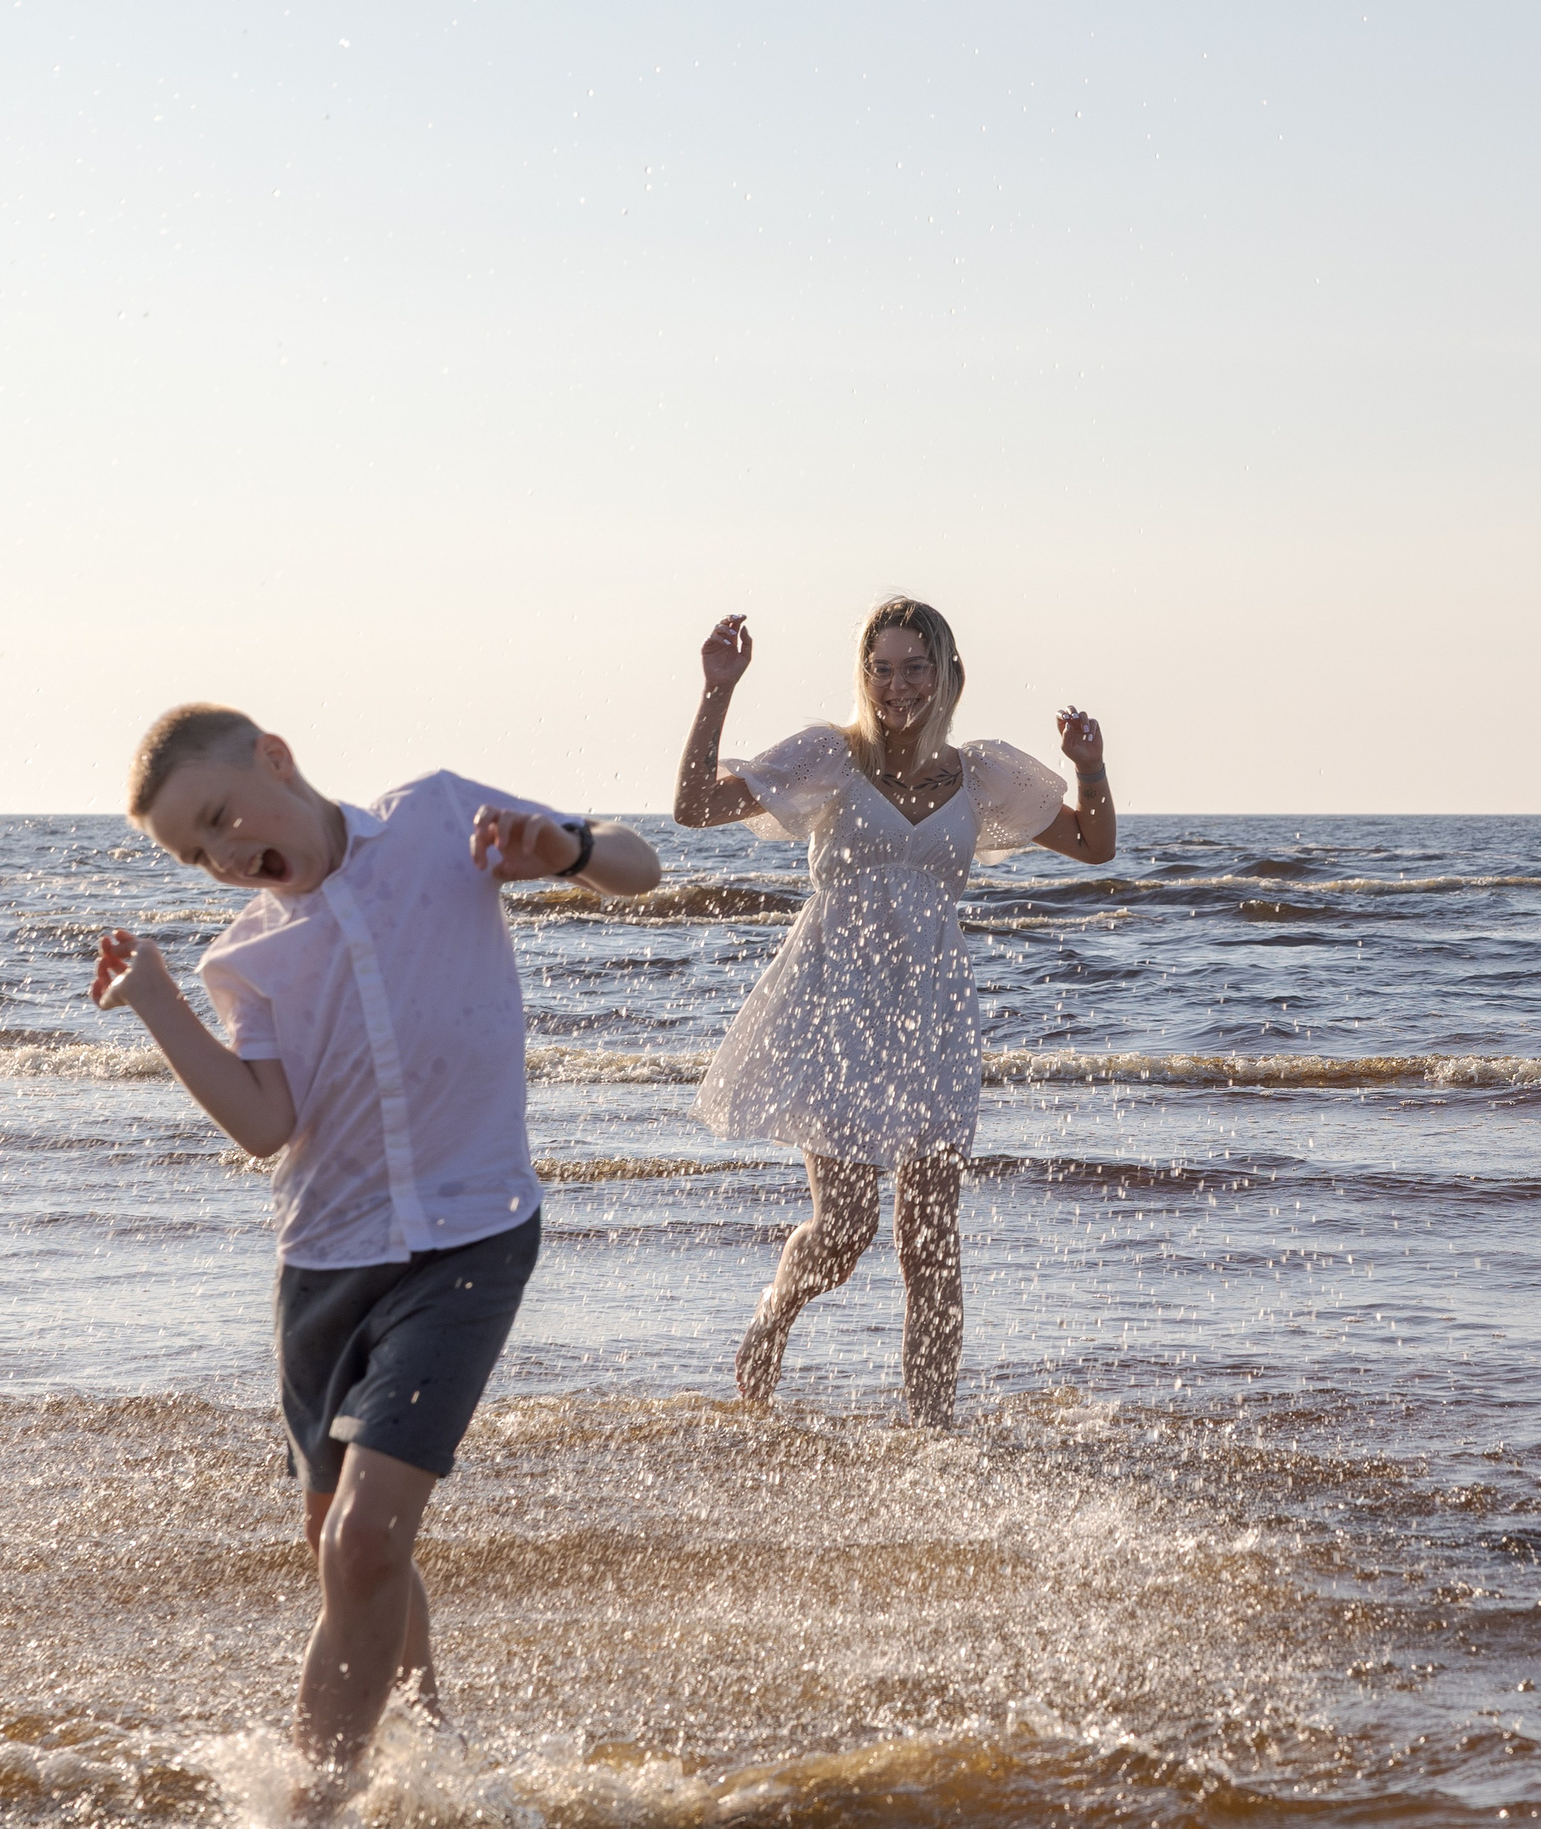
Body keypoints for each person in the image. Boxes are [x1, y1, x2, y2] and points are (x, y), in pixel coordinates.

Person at [87, 703, 659, 1784]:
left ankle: (314, 1803)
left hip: (471, 1237)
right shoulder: (248, 954)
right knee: (343, 1545)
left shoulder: (441, 818)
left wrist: (569, 851)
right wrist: (157, 1000)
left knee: (361, 1540)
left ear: (276, 757)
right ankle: (432, 1756)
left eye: (217, 816)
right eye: (191, 850)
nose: (219, 855)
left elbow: (640, 864)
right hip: (322, 1268)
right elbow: (266, 1124)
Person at [672, 598, 1114, 1426]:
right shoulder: (829, 758)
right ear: (862, 674)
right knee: (844, 1230)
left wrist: (1089, 766)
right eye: (882, 668)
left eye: (917, 667)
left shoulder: (980, 774)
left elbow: (1094, 843)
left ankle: (930, 1429)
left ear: (950, 676)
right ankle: (774, 1312)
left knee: (929, 1236)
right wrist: (717, 688)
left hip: (933, 1012)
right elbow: (694, 803)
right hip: (834, 1007)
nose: (898, 686)